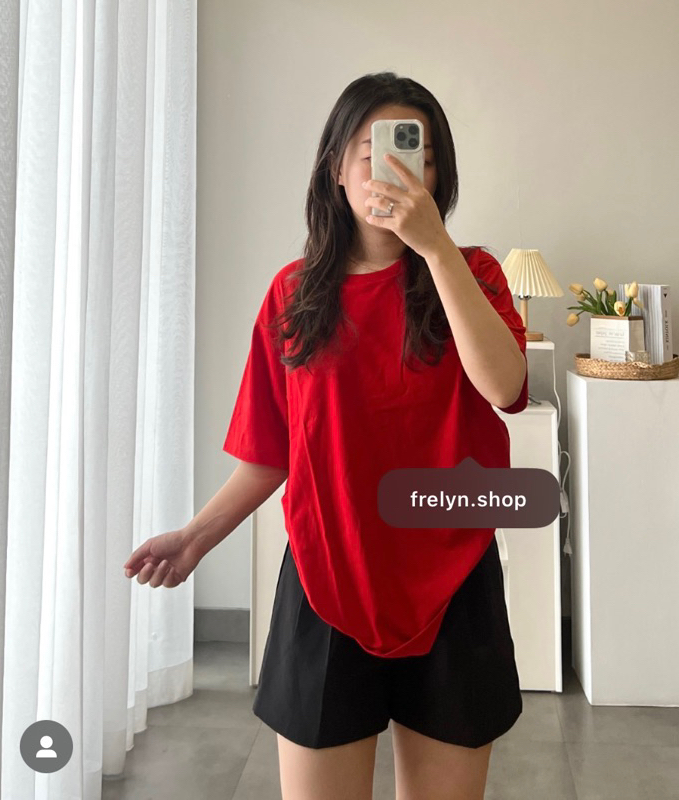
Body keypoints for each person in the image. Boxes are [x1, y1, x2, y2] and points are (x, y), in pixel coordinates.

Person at [123, 72, 529, 800]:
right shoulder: (293, 295)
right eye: (374, 151)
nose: (397, 167)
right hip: (325, 576)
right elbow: (269, 453)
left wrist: (435, 249)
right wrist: (194, 539)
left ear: (440, 174)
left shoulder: (473, 274)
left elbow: (503, 387)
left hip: (453, 579)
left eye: (419, 152)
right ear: (337, 168)